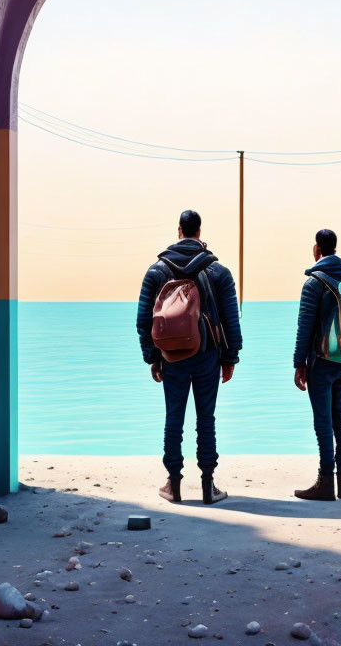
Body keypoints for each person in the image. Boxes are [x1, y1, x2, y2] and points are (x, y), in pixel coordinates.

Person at [136, 209, 242, 504]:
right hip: (208, 354)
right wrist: (230, 357)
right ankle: (208, 485)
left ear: (179, 230)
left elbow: (144, 320)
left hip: (171, 356)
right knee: (206, 417)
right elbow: (231, 319)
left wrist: (152, 357)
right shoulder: (218, 271)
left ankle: (174, 484)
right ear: (198, 231)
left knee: (174, 417)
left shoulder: (157, 271)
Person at [292, 228, 341, 501]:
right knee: (340, 416)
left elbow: (304, 328)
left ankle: (325, 482)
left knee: (323, 420)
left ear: (317, 249)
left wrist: (299, 363)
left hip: (321, 361)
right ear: (335, 249)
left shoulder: (314, 283)